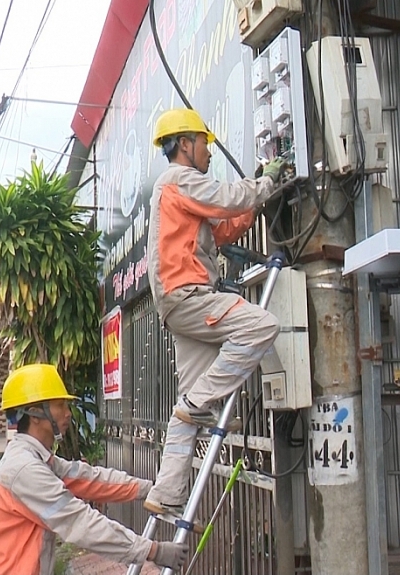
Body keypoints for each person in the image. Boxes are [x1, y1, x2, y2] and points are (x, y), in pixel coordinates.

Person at [143, 108, 285, 515]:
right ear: (185, 144)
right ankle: (200, 402)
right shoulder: (179, 179)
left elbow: (223, 226)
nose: (209, 152)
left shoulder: (177, 192)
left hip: (177, 303)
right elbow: (226, 198)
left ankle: (164, 493)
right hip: (188, 294)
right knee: (261, 325)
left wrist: (258, 197)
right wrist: (267, 180)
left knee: (185, 406)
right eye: (204, 143)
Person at [0, 364, 189, 574]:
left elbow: (89, 479)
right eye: (60, 405)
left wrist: (150, 490)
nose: (68, 413)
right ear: (35, 414)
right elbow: (79, 522)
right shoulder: (25, 470)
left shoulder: (37, 460)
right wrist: (152, 550)